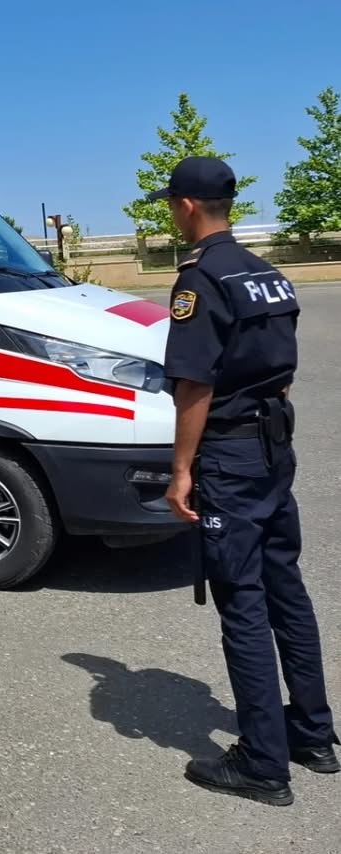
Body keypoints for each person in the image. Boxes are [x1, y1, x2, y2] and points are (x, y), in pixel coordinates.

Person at [155, 157, 337, 805]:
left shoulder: (201, 282)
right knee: (286, 587)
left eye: (170, 204)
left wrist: (182, 470)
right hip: (273, 448)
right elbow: (281, 373)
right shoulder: (267, 276)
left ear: (186, 207)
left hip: (230, 459)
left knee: (243, 602)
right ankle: (313, 734)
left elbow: (195, 386)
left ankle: (263, 763)